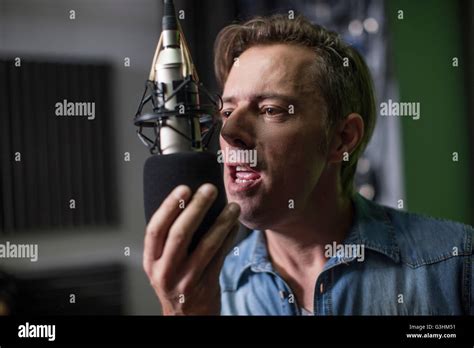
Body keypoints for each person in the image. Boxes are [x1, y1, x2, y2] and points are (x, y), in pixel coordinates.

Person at [142, 14, 473, 315]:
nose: (228, 134)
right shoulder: (209, 292)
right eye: (227, 112)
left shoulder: (456, 265)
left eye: (270, 109)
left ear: (342, 139)